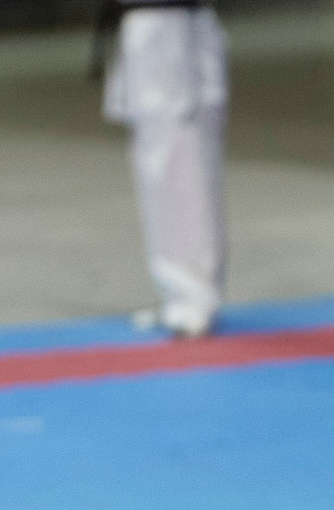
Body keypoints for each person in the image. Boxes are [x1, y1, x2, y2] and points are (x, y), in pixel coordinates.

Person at [105, 0, 228, 339]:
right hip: (167, 23)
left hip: (167, 25)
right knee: (174, 159)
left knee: (175, 159)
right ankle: (188, 295)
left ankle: (192, 298)